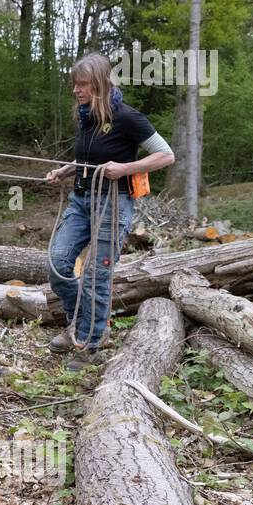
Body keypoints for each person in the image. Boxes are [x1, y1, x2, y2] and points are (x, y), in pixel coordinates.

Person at [45, 53, 175, 370]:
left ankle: (90, 341)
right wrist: (66, 170)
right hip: (80, 201)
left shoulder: (128, 117)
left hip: (113, 203)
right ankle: (81, 324)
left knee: (95, 275)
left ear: (101, 84)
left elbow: (165, 155)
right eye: (74, 84)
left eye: (83, 84)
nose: (76, 90)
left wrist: (126, 168)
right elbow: (90, 159)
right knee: (58, 263)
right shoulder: (87, 117)